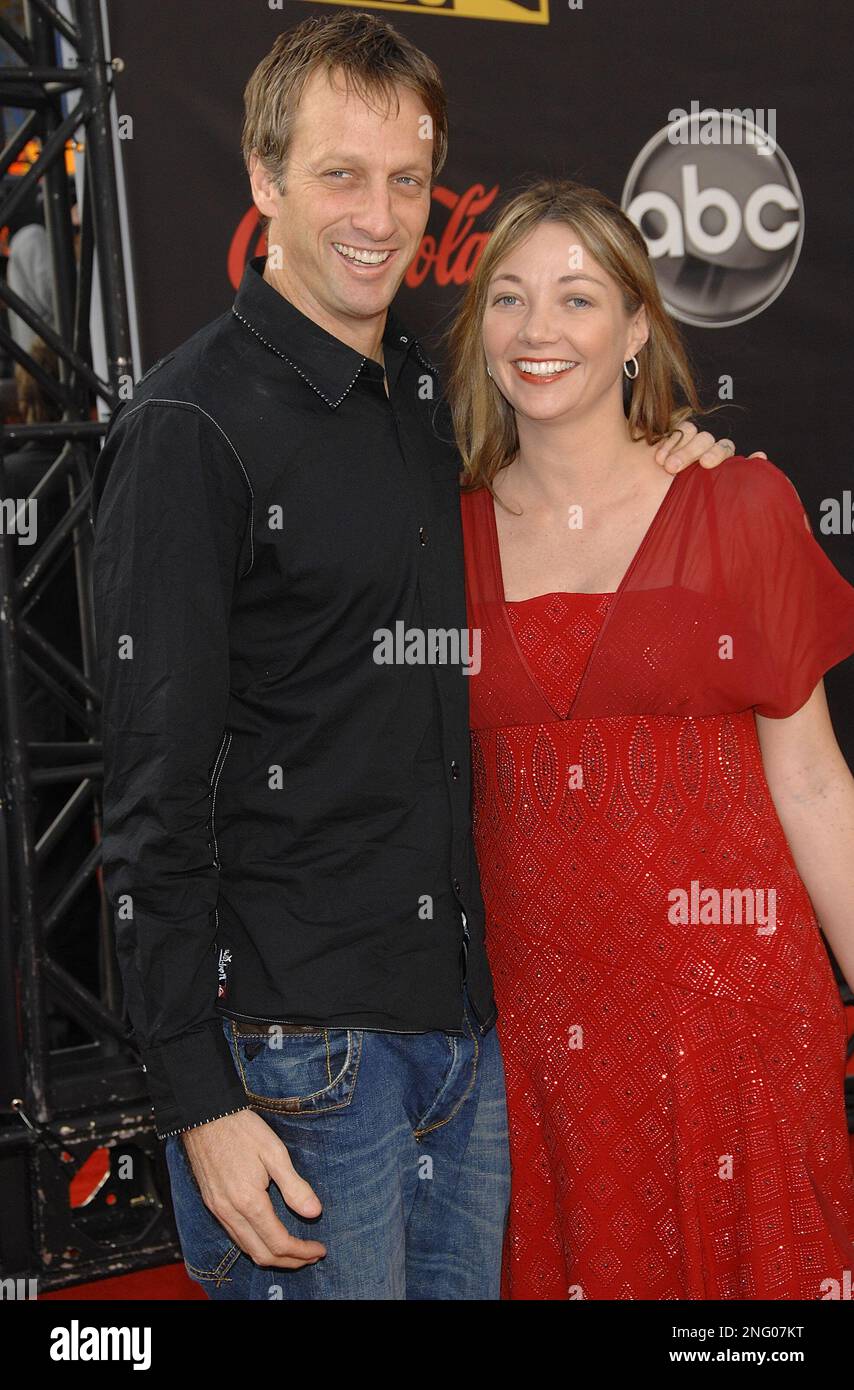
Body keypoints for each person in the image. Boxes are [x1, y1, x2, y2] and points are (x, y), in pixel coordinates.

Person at [91, 15, 746, 1301]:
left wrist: (678, 468)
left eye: (407, 180)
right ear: (264, 180)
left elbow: (568, 486)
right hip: (292, 1057)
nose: (380, 216)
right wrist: (197, 1100)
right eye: (340, 174)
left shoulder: (420, 398)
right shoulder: (188, 427)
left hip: (461, 1042)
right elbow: (146, 797)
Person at [449, 178, 854, 1300]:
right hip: (536, 1042)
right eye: (509, 300)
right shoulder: (436, 537)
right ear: (477, 332)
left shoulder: (739, 507)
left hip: (731, 1015)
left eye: (576, 299)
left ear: (635, 328)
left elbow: (814, 784)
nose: (539, 332)